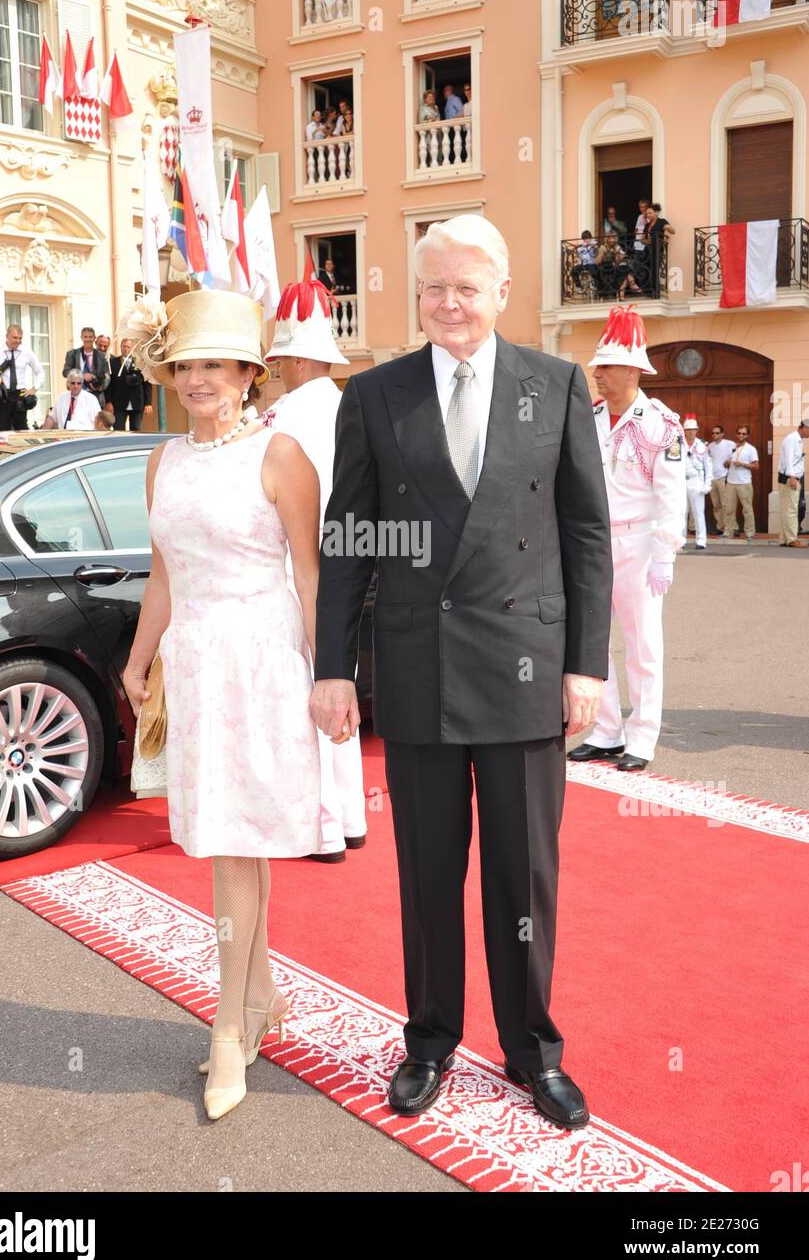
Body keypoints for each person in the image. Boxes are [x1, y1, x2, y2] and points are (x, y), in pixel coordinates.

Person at [310, 214, 613, 1128]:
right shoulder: (374, 395)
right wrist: (332, 669)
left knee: (524, 879)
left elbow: (586, 533)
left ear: (501, 292)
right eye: (434, 287)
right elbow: (347, 541)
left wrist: (584, 666)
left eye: (466, 287)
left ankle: (532, 1052)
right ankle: (430, 1041)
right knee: (427, 875)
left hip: (525, 666)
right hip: (418, 671)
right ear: (418, 295)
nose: (449, 303)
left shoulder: (555, 385)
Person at [119, 289, 322, 1124]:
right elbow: (164, 573)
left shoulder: (281, 455)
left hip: (263, 659)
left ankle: (230, 1027)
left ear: (247, 373)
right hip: (193, 659)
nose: (197, 379)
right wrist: (137, 662)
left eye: (214, 364)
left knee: (237, 847)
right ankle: (262, 991)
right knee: (226, 842)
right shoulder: (161, 460)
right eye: (185, 365)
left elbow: (311, 574)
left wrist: (328, 675)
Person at [265, 279, 367, 863]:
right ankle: (350, 817)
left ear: (299, 358)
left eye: (279, 359)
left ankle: (324, 830)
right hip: (341, 561)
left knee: (310, 699)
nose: (275, 368)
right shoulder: (346, 403)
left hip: (294, 562)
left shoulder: (286, 414)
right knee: (339, 691)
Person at [570, 305, 686, 772]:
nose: (598, 373)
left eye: (609, 365)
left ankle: (643, 734)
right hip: (594, 543)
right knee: (592, 642)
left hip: (640, 544)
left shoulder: (661, 424)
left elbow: (671, 494)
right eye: (598, 364)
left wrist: (665, 553)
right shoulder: (588, 418)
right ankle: (605, 729)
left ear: (635, 370)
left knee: (642, 644)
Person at [0, 324, 44, 431]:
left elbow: (40, 371)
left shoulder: (26, 352)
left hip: (20, 397)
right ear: (7, 336)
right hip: (3, 396)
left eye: (20, 338)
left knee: (21, 432)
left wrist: (34, 389)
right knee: (2, 431)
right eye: (15, 337)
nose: (17, 341)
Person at [722, 425, 759, 542]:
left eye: (743, 434)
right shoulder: (731, 448)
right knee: (729, 509)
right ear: (736, 434)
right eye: (739, 433)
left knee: (747, 509)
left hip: (744, 482)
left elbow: (756, 465)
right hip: (731, 482)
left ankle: (750, 533)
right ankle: (729, 531)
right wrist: (727, 463)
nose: (741, 435)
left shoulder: (751, 449)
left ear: (747, 435)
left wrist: (742, 464)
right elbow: (725, 465)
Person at [108, 336, 152, 431]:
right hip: (119, 403)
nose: (126, 349)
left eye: (128, 347)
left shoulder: (140, 362)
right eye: (124, 346)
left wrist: (148, 403)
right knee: (118, 429)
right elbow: (110, 385)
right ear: (120, 347)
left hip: (137, 402)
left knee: (136, 429)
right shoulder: (113, 363)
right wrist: (109, 402)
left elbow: (147, 383)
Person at [777, 418, 809, 546]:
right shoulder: (792, 439)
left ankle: (784, 539)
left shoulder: (798, 440)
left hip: (790, 477)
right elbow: (789, 459)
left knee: (786, 510)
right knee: (791, 510)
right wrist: (792, 477)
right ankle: (792, 539)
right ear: (804, 427)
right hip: (790, 478)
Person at [682, 414, 712, 549]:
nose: (691, 432)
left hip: (696, 481)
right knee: (681, 513)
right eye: (688, 430)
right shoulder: (678, 444)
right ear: (684, 431)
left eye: (693, 429)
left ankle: (701, 540)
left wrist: (707, 483)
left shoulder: (702, 445)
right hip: (681, 482)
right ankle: (680, 540)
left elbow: (708, 466)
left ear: (697, 430)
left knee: (698, 512)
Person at [63, 327, 110, 405]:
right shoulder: (72, 354)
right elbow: (65, 372)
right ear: (81, 338)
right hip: (77, 394)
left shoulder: (102, 356)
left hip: (96, 397)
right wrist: (81, 375)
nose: (88, 339)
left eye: (90, 337)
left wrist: (99, 386)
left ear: (94, 338)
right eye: (85, 337)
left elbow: (107, 376)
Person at [707, 424, 735, 534]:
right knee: (716, 505)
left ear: (722, 434)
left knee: (726, 504)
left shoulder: (729, 444)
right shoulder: (710, 446)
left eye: (717, 433)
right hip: (712, 478)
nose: (714, 434)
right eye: (713, 433)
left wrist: (729, 462)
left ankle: (731, 527)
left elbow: (735, 455)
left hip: (723, 477)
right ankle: (720, 527)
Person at [571, 231, 598, 295]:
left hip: (591, 264)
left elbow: (596, 247)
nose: (586, 240)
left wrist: (590, 245)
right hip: (584, 264)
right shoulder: (581, 247)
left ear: (590, 238)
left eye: (587, 238)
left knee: (594, 271)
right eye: (584, 238)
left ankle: (595, 285)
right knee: (573, 271)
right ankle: (579, 287)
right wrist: (576, 247)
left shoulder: (593, 243)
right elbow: (575, 250)